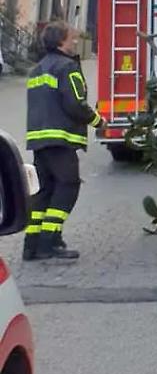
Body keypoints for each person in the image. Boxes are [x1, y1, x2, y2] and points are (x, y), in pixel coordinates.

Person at [24, 22, 103, 261]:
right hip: (61, 139)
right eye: (72, 39)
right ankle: (50, 242)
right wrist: (99, 121)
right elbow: (75, 104)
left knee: (44, 191)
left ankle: (31, 244)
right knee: (67, 187)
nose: (75, 42)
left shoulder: (36, 70)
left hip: (39, 139)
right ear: (61, 42)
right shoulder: (67, 67)